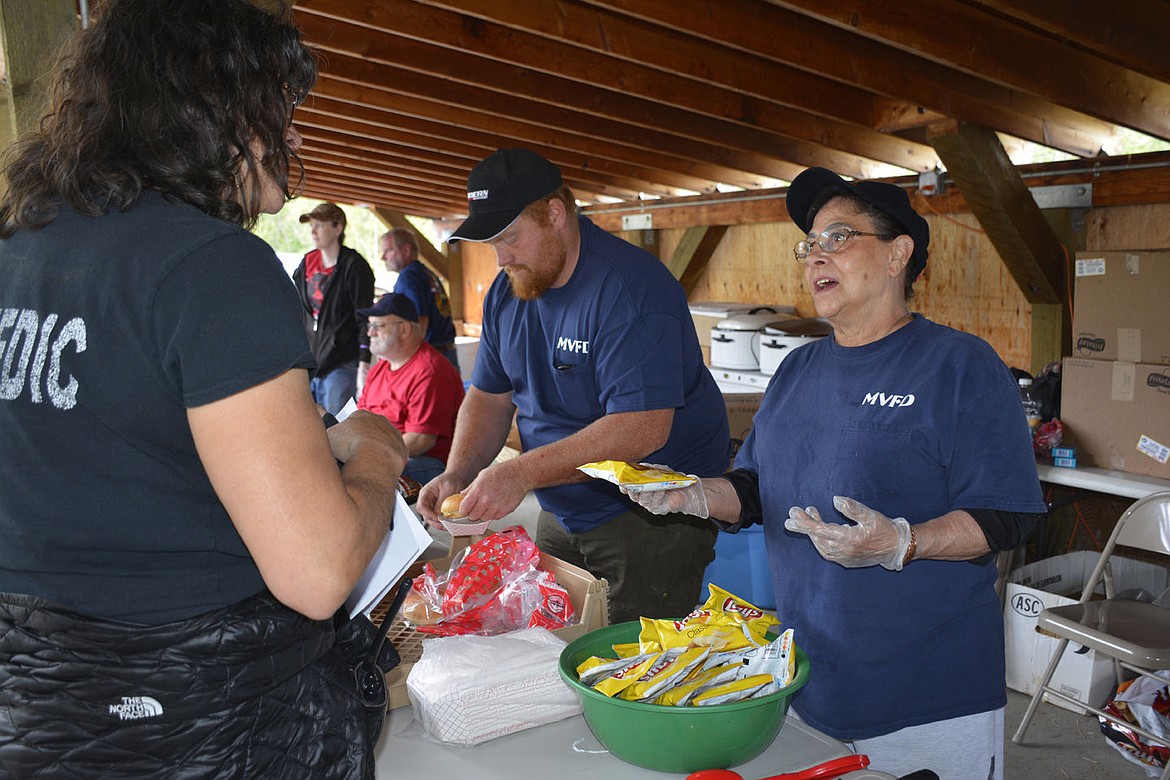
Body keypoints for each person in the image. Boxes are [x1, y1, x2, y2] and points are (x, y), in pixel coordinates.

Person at [0, 1, 407, 777]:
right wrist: (376, 459)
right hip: (201, 723)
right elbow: (319, 573)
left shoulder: (19, 245)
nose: (295, 135)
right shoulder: (212, 266)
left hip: (34, 711)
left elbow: (115, 434)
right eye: (277, 110)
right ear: (208, 112)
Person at [625, 167, 1047, 779]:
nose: (816, 256)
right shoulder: (797, 371)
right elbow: (755, 492)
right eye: (809, 245)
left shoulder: (960, 366)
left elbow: (1006, 516)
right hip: (806, 684)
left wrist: (902, 543)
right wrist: (691, 495)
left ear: (900, 253)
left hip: (927, 696)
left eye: (839, 238)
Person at [416, 148, 730, 623]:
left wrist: (519, 474)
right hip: (560, 503)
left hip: (649, 515)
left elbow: (641, 430)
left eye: (511, 238)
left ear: (556, 214)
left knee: (632, 666)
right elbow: (488, 395)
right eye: (491, 243)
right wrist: (457, 473)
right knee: (554, 641)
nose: (501, 258)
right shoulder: (509, 290)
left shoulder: (629, 288)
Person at [357, 292, 464, 484]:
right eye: (369, 325)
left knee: (361, 477)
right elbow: (360, 420)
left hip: (428, 462)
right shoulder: (378, 370)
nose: (369, 333)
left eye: (377, 326)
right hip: (384, 452)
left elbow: (421, 441)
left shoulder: (430, 371)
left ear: (405, 329)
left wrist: (371, 458)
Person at [292, 202, 376, 414]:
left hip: (343, 363)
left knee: (338, 428)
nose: (313, 231)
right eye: (311, 225)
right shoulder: (307, 263)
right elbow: (298, 311)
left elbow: (364, 317)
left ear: (338, 228)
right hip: (310, 363)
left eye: (319, 225)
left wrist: (364, 364)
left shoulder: (354, 266)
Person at [380, 228, 461, 372]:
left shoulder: (409, 277)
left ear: (406, 250)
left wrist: (410, 363)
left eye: (388, 251)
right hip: (445, 352)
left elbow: (418, 321)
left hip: (430, 356)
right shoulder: (425, 273)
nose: (383, 257)